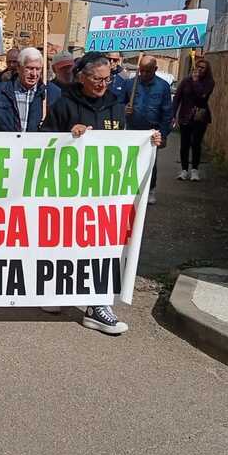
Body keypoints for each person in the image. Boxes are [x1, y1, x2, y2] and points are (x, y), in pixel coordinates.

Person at [41, 53, 162, 335]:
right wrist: (67, 137)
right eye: (97, 79)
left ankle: (97, 306)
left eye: (107, 79)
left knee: (103, 247)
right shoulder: (64, 104)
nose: (102, 84)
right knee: (66, 244)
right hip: (68, 192)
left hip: (106, 194)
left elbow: (130, 141)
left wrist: (152, 140)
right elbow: (42, 140)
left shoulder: (117, 106)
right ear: (81, 77)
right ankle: (58, 292)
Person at [124, 55, 172, 205]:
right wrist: (124, 109)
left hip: (152, 131)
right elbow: (118, 103)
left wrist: (163, 134)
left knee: (150, 162)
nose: (144, 74)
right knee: (130, 160)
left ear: (155, 70)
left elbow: (167, 112)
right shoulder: (130, 84)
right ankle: (130, 189)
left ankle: (150, 189)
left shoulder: (163, 86)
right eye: (142, 71)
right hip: (132, 129)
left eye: (148, 71)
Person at [0, 47, 60, 132]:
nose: (34, 74)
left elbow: (62, 127)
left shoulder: (52, 93)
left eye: (38, 69)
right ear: (18, 67)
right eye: (29, 68)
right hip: (5, 144)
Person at [172, 57, 216, 181]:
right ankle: (184, 170)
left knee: (196, 143)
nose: (199, 70)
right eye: (198, 67)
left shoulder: (209, 82)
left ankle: (195, 170)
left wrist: (196, 81)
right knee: (184, 143)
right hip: (185, 116)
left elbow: (202, 97)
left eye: (203, 68)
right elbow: (177, 98)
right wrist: (173, 114)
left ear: (207, 70)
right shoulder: (186, 81)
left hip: (200, 116)